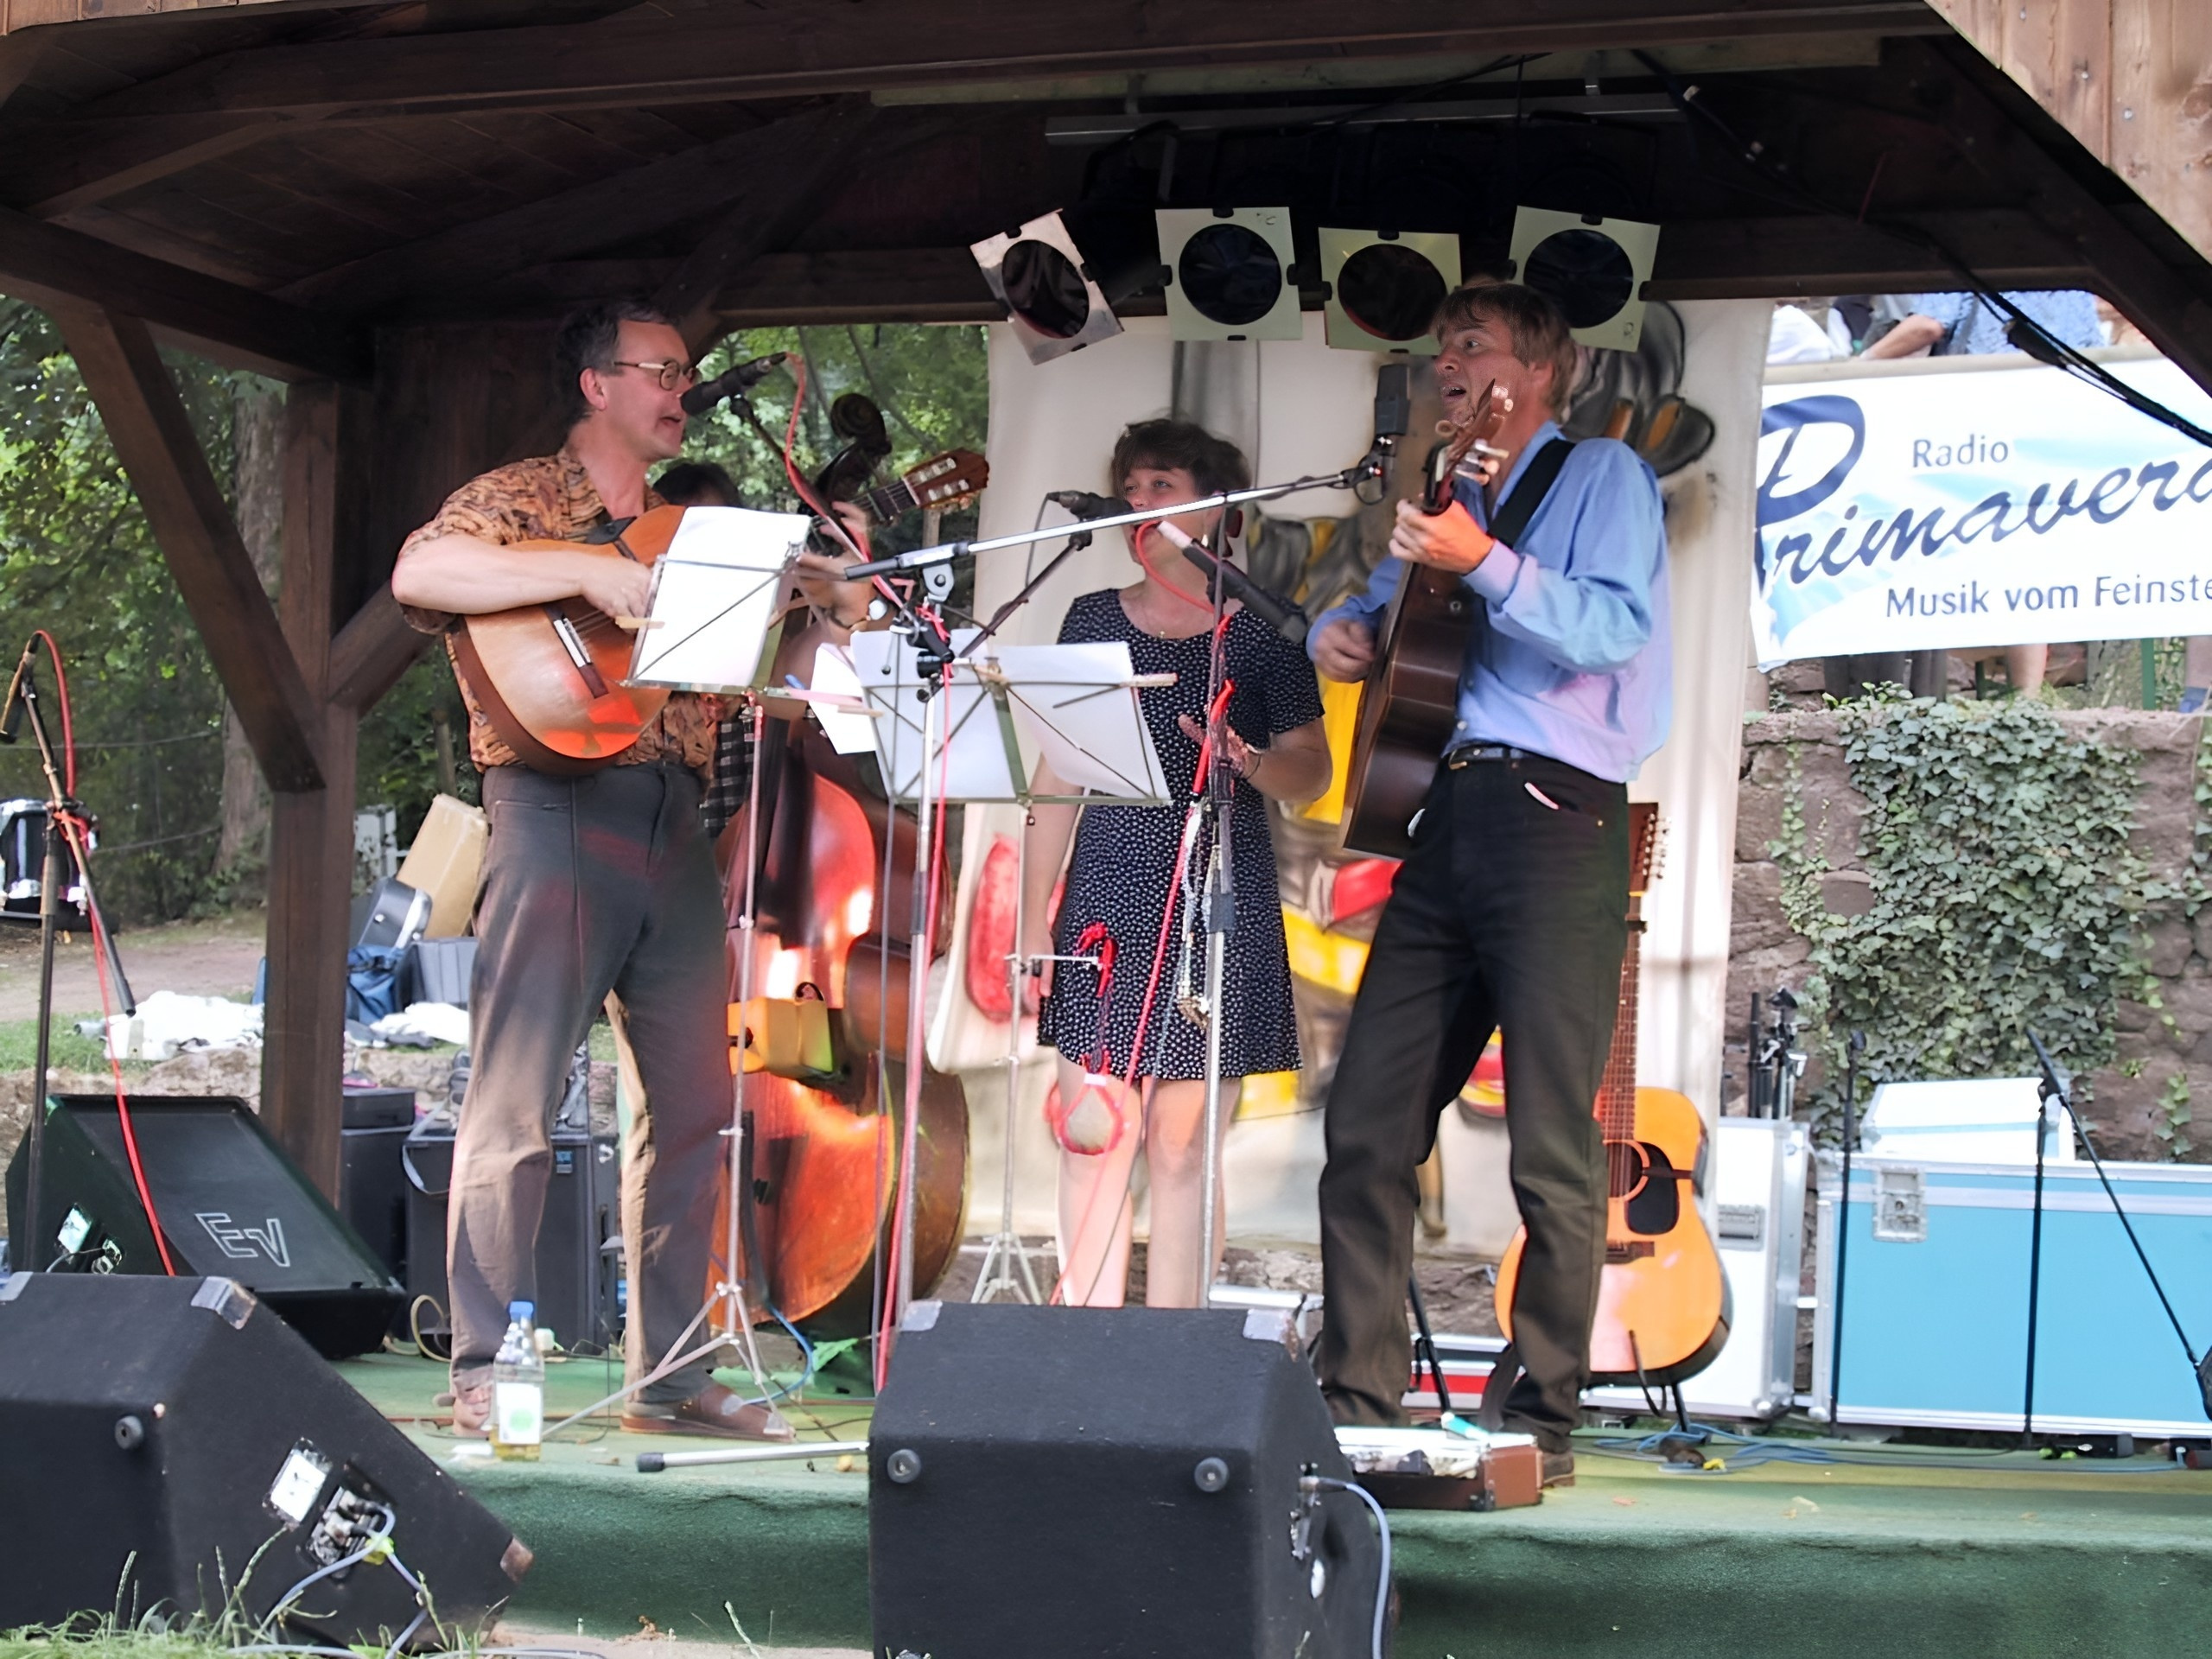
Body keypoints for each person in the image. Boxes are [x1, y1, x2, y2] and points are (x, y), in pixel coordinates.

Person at [391, 299, 861, 1440]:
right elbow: (423, 571)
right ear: (598, 384)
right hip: (550, 804)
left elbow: (770, 688)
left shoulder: (690, 533)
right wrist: (585, 577)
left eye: (688, 373)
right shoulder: (523, 498)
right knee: (517, 1098)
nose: (682, 390)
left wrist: (825, 600)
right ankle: (481, 1365)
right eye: (663, 370)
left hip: (674, 821)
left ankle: (673, 1374)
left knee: (698, 1105)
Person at [1306, 282, 1670, 1484]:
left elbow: (1614, 631)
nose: (1448, 361)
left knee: (1551, 1136)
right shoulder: (1442, 494)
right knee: (1366, 1120)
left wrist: (1492, 563)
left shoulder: (1602, 479)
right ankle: (1357, 1393)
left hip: (1557, 813)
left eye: (1475, 344)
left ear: (1542, 372)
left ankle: (1542, 1413)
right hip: (1446, 812)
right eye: (1442, 347)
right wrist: (1336, 638)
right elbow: (1364, 615)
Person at [1019, 420, 1332, 1307]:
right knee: (1093, 1128)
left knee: (1183, 1142)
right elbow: (1054, 780)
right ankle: (1083, 1353)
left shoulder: (1264, 633)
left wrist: (1250, 762)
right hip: (1106, 886)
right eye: (1132, 486)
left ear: (1216, 508)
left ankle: (1173, 1359)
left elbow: (1312, 774)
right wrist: (1020, 928)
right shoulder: (1089, 618)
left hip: (1214, 893)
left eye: (1162, 485)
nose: (1140, 503)